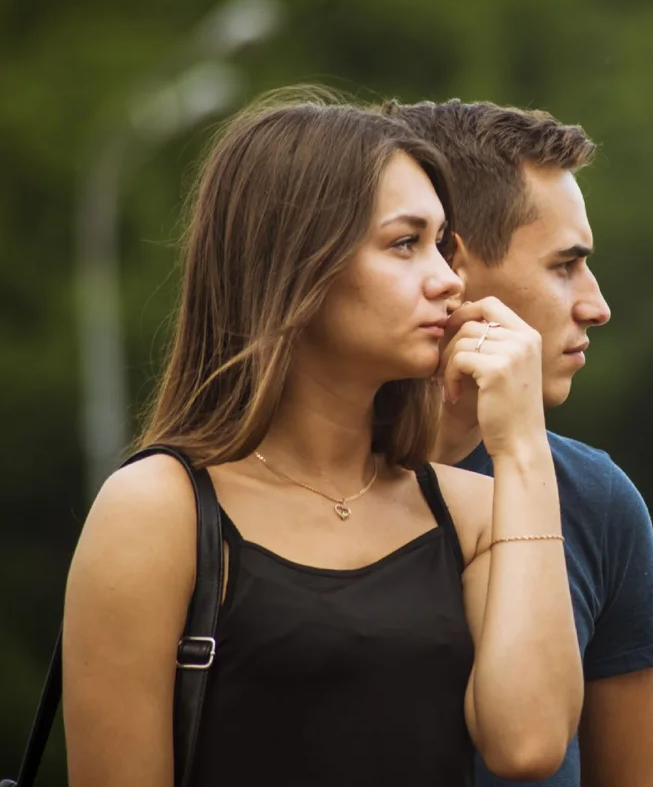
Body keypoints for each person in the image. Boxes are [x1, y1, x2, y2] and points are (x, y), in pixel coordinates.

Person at [61, 88, 582, 786]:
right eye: (405, 244)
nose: (447, 283)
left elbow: (530, 745)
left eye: (442, 246)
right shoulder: (159, 510)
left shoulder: (470, 514)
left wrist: (522, 448)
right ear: (297, 265)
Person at [382, 98, 653, 787]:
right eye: (564, 265)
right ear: (447, 265)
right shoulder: (277, 493)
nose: (596, 305)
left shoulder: (593, 499)